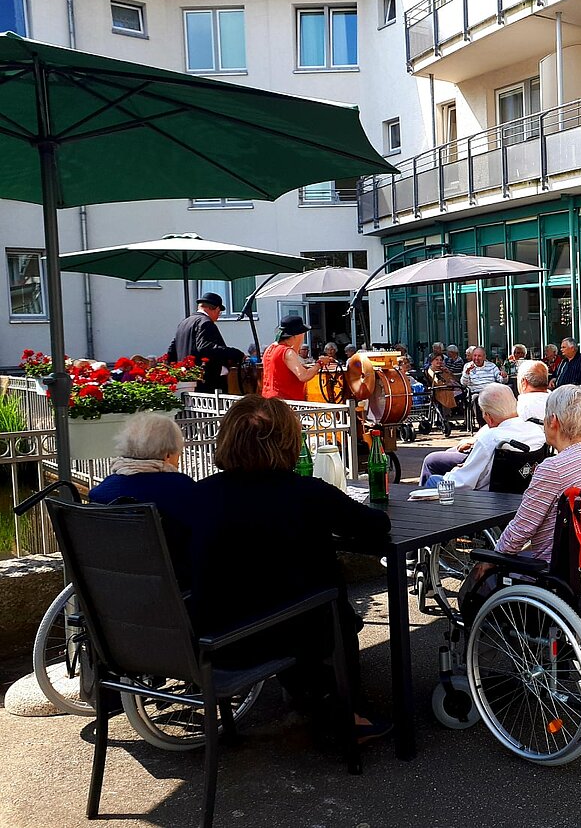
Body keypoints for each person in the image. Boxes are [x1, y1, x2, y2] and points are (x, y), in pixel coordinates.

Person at [188, 395, 390, 741]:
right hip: (281, 631)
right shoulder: (304, 493)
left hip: (212, 635)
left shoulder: (198, 495)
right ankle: (347, 712)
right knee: (327, 598)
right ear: (288, 441)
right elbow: (375, 525)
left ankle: (310, 694)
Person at [492, 384, 581, 561]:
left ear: (553, 421)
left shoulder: (553, 468)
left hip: (555, 568)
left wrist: (492, 558)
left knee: (481, 577)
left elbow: (522, 529)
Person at [89, 413, 197, 586]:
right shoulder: (181, 489)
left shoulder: (102, 491)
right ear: (168, 454)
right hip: (172, 591)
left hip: (110, 588)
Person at [420, 384, 546, 489]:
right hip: (519, 492)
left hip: (485, 500)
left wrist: (454, 471)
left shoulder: (492, 438)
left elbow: (463, 483)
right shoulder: (535, 430)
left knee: (433, 480)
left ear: (488, 416)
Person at [166, 292, 243, 393]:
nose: (218, 316)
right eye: (219, 312)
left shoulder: (184, 323)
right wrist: (235, 353)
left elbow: (171, 351)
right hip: (206, 383)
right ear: (215, 308)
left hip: (186, 384)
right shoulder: (205, 322)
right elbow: (206, 348)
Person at [261, 315, 334, 402]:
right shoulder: (287, 352)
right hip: (285, 403)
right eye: (303, 333)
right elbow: (303, 376)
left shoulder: (269, 349)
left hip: (268, 400)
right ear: (296, 335)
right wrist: (320, 363)